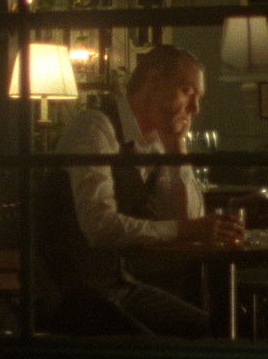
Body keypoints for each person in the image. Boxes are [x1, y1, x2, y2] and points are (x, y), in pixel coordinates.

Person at [45, 44, 244, 338]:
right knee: (171, 350)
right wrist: (188, 229)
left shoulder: (153, 141)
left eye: (198, 98)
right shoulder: (95, 128)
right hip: (72, 295)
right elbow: (100, 228)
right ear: (154, 81)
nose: (195, 109)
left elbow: (187, 217)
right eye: (187, 92)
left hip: (118, 286)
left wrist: (177, 146)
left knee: (216, 331)